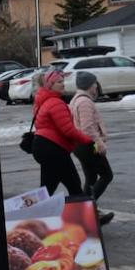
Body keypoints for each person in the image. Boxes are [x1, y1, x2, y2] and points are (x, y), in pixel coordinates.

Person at [31, 69, 94, 198]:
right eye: (59, 82)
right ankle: (86, 216)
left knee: (47, 188)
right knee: (74, 186)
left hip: (45, 148)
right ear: (50, 85)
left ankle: (34, 213)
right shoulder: (55, 103)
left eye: (63, 81)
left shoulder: (45, 102)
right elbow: (68, 130)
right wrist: (88, 140)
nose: (63, 84)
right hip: (54, 150)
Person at [69, 72, 115, 224]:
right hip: (88, 145)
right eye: (94, 83)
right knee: (107, 175)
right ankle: (87, 207)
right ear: (89, 85)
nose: (96, 85)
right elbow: (87, 128)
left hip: (80, 145)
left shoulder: (77, 99)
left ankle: (83, 209)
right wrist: (99, 143)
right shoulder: (84, 102)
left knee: (91, 178)